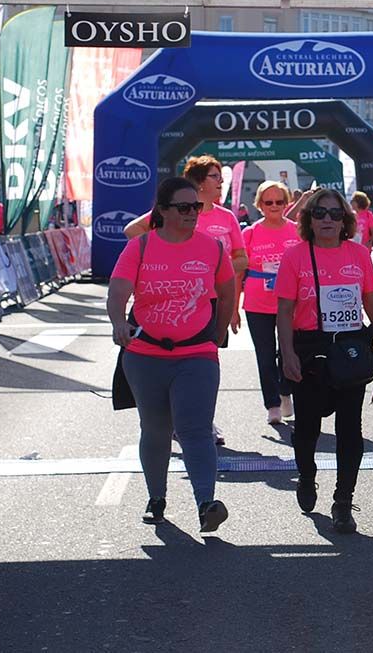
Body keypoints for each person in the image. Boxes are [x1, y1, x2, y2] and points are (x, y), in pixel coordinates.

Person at [107, 177, 236, 533]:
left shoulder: (211, 247)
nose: (193, 213)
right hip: (145, 354)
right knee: (157, 428)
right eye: (184, 207)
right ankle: (156, 498)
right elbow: (117, 291)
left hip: (196, 353)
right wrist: (119, 323)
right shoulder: (142, 247)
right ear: (162, 211)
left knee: (195, 429)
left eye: (196, 206)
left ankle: (206, 502)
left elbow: (228, 291)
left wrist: (218, 333)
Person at [276, 189, 373, 533]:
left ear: (346, 220)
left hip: (349, 350)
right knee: (307, 429)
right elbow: (284, 310)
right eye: (320, 213)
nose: (327, 220)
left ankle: (343, 501)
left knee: (351, 430)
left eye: (334, 214)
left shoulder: (360, 254)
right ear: (309, 219)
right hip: (309, 350)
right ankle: (306, 477)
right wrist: (286, 353)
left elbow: (372, 303)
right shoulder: (295, 256)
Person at [124, 155, 247, 446]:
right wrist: (167, 253)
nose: (221, 182)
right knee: (169, 368)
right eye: (215, 176)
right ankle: (176, 423)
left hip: (213, 300)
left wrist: (219, 267)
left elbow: (241, 257)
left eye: (221, 177)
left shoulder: (226, 217)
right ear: (199, 181)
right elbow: (132, 231)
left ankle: (201, 421)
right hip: (173, 301)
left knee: (206, 366)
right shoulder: (175, 212)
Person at [239, 181, 300, 425]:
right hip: (257, 302)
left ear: (287, 203)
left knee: (289, 351)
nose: (274, 206)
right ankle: (272, 403)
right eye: (268, 202)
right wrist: (232, 308)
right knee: (264, 355)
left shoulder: (297, 230)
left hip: (291, 302)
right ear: (260, 205)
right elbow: (237, 272)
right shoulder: (250, 233)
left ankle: (285, 391)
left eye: (279, 202)